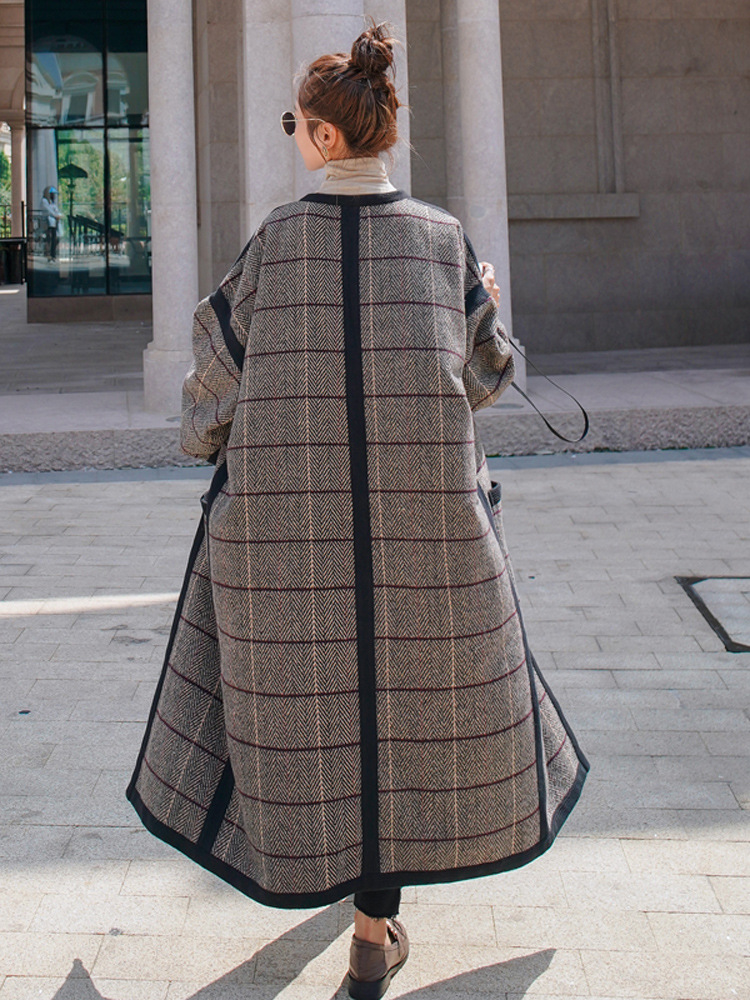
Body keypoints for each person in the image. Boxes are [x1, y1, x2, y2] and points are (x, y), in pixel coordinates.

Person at [127, 22, 589, 1000]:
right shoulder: (441, 241)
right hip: (427, 545)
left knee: (321, 716)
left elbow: (209, 389)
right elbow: (488, 375)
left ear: (326, 137)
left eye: (294, 123)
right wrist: (482, 304)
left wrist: (216, 436)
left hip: (288, 552)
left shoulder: (275, 245)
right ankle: (374, 934)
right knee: (406, 714)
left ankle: (349, 900)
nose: (293, 134)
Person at [41, 185, 63, 262]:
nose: (53, 196)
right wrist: (55, 215)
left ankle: (53, 254)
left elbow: (55, 210)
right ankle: (49, 254)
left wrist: (58, 215)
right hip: (48, 224)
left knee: (54, 239)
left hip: (54, 224)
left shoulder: (52, 202)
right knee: (49, 239)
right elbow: (49, 210)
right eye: (52, 194)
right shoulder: (44, 201)